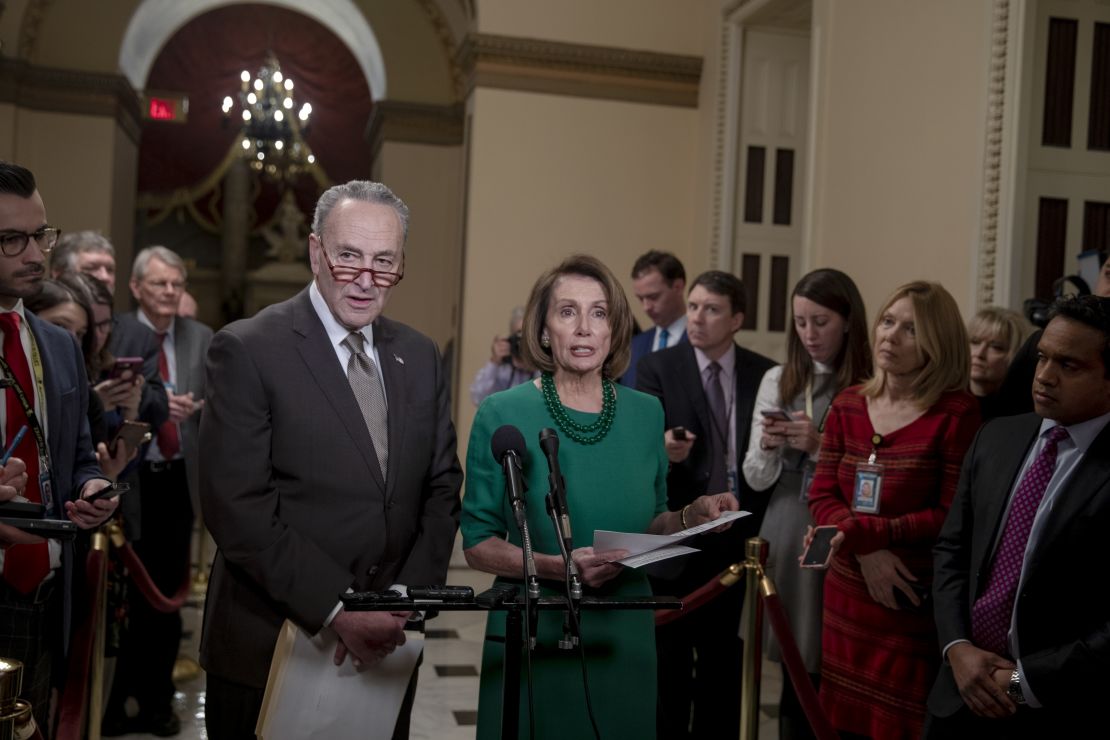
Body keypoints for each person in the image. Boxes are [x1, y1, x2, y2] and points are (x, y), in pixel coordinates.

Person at [199, 180, 462, 740]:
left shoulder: (418, 354)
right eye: (349, 258)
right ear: (317, 251)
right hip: (271, 643)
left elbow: (441, 488)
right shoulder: (247, 348)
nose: (367, 280)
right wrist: (340, 610)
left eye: (384, 263)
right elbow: (237, 507)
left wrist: (401, 606)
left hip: (387, 646)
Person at [461, 254, 738, 740]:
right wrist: (558, 567)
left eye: (599, 313)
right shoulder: (503, 413)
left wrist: (694, 514)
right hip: (536, 628)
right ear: (544, 330)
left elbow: (652, 521)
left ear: (615, 329)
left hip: (626, 629)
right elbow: (478, 543)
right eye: (567, 312)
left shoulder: (645, 412)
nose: (585, 328)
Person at [925, 294, 1110, 738]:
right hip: (959, 689)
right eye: (1043, 357)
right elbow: (952, 550)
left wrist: (1015, 681)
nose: (1043, 376)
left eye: (1069, 366)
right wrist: (957, 649)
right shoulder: (997, 436)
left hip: (1058, 704)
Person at [805, 281, 981, 739]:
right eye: (887, 322)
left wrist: (867, 535)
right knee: (839, 725)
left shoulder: (956, 414)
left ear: (937, 343)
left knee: (899, 724)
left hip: (907, 597)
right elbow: (821, 496)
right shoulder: (847, 403)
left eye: (910, 329)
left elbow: (950, 514)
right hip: (848, 590)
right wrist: (864, 548)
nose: (890, 336)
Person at [0, 160, 118, 734]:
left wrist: (91, 487)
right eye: (12, 239)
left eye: (41, 235)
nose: (35, 255)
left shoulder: (58, 346)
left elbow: (74, 457)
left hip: (46, 588)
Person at [637, 270, 776, 740]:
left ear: (736, 318)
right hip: (678, 529)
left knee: (724, 663)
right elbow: (646, 445)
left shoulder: (764, 372)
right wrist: (666, 447)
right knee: (669, 667)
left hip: (739, 537)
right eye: (693, 306)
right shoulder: (659, 365)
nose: (697, 317)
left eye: (711, 309)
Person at [741, 268, 871, 740]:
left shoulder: (868, 382)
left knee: (830, 647)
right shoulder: (780, 378)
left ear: (849, 321)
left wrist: (819, 446)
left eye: (821, 321)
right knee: (793, 649)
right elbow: (754, 476)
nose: (810, 334)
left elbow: (873, 470)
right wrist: (771, 445)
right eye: (800, 322)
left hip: (837, 519)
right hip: (787, 515)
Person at [102, 246, 212, 736]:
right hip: (130, 480)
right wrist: (158, 407)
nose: (169, 291)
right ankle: (115, 699)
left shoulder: (200, 337)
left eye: (176, 283)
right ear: (136, 287)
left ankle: (157, 702)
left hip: (179, 478)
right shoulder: (119, 332)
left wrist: (197, 409)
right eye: (159, 283)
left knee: (169, 596)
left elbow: (221, 405)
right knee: (126, 597)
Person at [995, 251, 1110, 415]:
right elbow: (1006, 424)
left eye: (1068, 366)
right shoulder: (1041, 341)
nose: (1043, 376)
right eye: (1108, 275)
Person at [621, 250, 687, 388]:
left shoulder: (704, 343)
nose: (646, 307)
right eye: (640, 298)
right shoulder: (634, 346)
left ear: (678, 287)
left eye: (653, 297)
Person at [966, 307, 1029, 420]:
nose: (980, 354)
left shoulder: (1021, 413)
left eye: (995, 347)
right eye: (975, 342)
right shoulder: (945, 400)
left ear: (1015, 355)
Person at [469, 306, 538, 406]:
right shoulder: (503, 369)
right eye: (518, 334)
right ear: (511, 338)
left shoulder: (542, 369)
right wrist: (494, 362)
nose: (522, 341)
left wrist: (534, 365)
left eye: (527, 334)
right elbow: (478, 399)